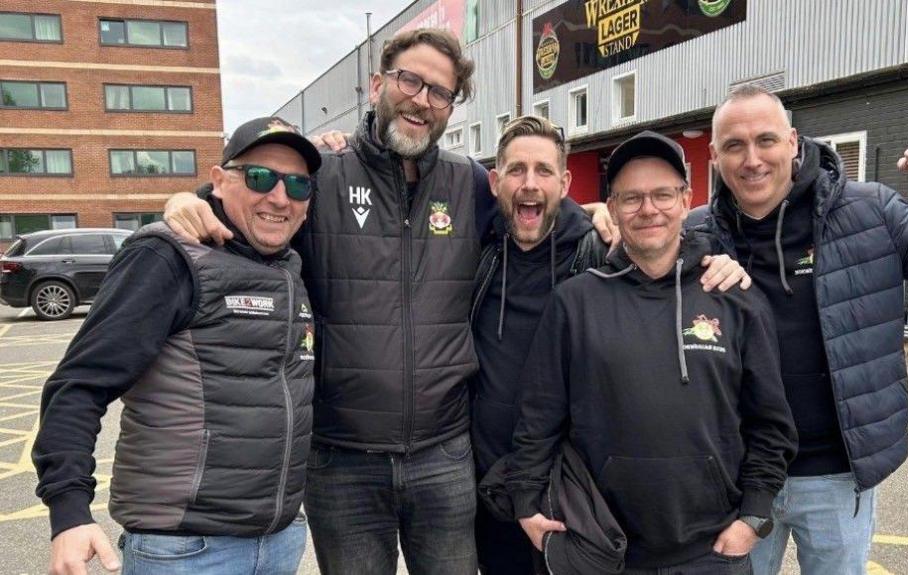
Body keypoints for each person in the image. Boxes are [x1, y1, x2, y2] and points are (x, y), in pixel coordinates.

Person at [165, 28, 490, 575]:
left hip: (445, 456)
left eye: (440, 92)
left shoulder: (470, 184)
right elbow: (244, 203)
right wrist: (186, 199)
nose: (422, 99)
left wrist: (599, 219)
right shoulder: (319, 175)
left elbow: (544, 223)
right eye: (410, 80)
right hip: (341, 462)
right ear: (377, 84)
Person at [691, 85, 908, 575]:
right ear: (714, 155)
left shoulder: (869, 211)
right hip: (736, 474)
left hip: (836, 474)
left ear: (793, 142)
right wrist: (600, 223)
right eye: (734, 145)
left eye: (766, 140)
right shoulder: (694, 234)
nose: (752, 159)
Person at [32, 116, 322, 575]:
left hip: (279, 542)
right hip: (186, 552)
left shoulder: (288, 266)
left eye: (298, 185)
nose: (280, 197)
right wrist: (68, 512)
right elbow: (79, 386)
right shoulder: (168, 257)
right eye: (260, 177)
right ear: (220, 181)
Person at [508, 130, 798, 575]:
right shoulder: (575, 302)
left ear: (686, 200)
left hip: (711, 550)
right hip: (601, 545)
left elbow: (770, 423)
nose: (648, 210)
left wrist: (753, 518)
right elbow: (539, 415)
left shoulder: (733, 297)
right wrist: (526, 504)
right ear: (614, 207)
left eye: (663, 194)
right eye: (632, 198)